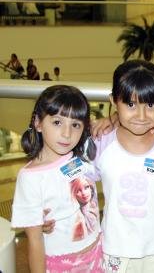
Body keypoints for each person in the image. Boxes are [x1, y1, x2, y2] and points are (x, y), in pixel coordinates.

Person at [89, 60, 154, 273]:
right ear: (113, 101)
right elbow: (78, 185)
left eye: (150, 105)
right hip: (115, 249)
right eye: (130, 104)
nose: (141, 116)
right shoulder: (101, 142)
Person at [11, 85, 103, 272]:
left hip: (98, 255)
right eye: (57, 122)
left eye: (75, 125)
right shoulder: (30, 177)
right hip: (62, 266)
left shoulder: (81, 154)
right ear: (37, 122)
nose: (67, 134)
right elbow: (34, 242)